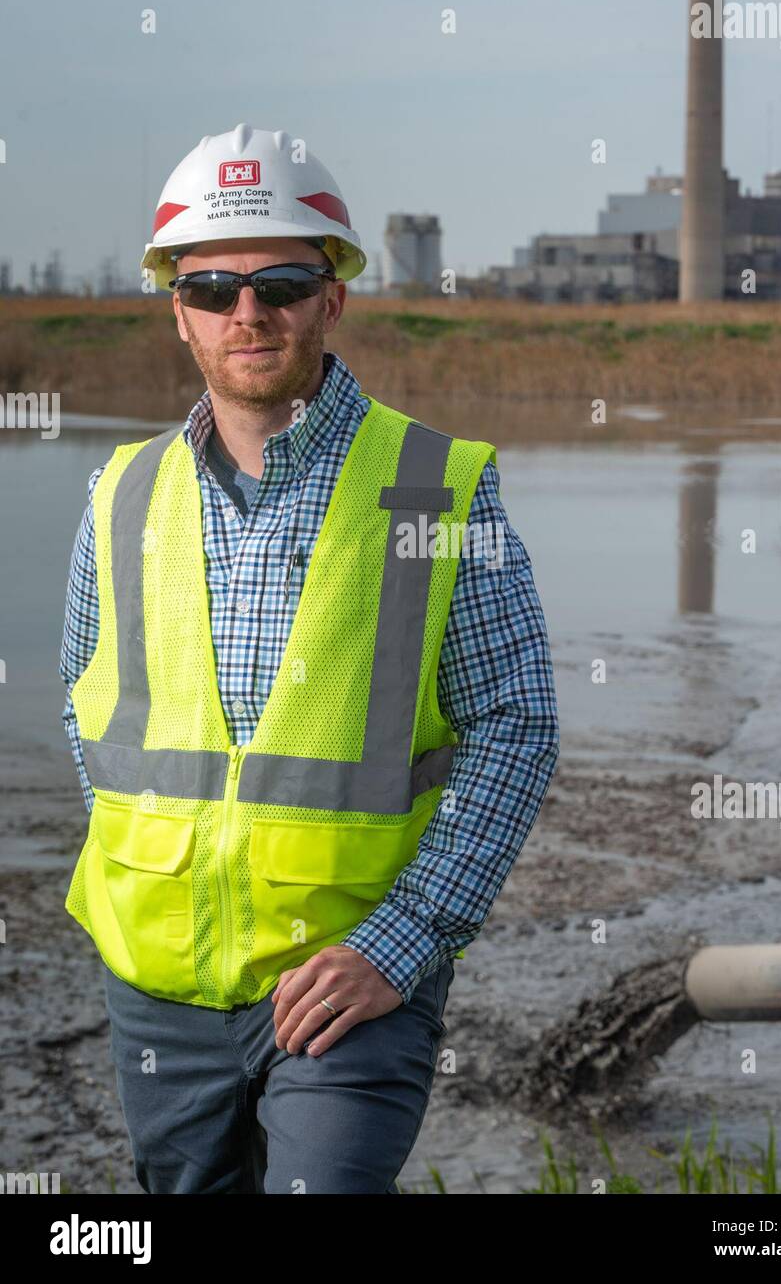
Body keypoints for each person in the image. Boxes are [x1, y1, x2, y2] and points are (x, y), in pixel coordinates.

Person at [59, 122, 560, 1194]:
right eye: (211, 289)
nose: (248, 312)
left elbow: (515, 723)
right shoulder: (121, 496)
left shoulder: (432, 486)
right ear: (177, 312)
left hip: (350, 980)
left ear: (331, 297)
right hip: (160, 992)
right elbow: (84, 703)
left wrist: (404, 936)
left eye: (281, 281)